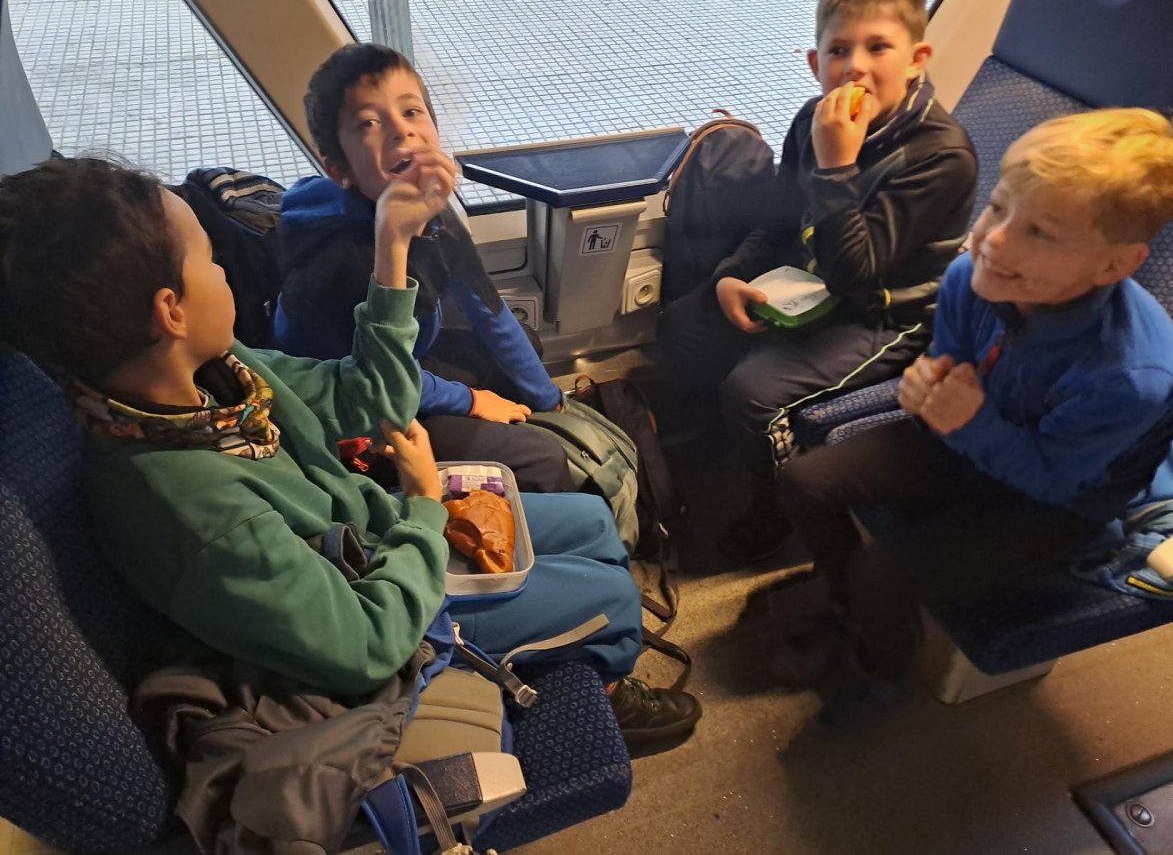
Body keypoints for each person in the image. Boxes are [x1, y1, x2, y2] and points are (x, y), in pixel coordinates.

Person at [0, 156, 701, 744]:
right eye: (211, 261)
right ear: (171, 311)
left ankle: (569, 634)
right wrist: (423, 507)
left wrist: (392, 248)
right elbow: (365, 644)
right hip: (383, 619)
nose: (225, 275)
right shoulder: (190, 511)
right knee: (612, 597)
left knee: (591, 524)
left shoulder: (221, 379)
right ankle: (598, 678)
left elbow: (373, 397)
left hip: (374, 540)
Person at [772, 108, 1173, 728]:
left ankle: (882, 673)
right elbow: (951, 358)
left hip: (1057, 499)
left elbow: (1055, 482)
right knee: (804, 481)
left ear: (1115, 265)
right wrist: (927, 383)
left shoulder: (1130, 375)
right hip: (969, 433)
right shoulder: (971, 276)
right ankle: (847, 609)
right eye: (998, 208)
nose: (994, 240)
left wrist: (965, 420)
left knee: (883, 572)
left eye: (1041, 233)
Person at [657, 0, 977, 561]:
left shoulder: (941, 157)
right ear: (815, 63)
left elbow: (857, 274)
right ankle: (709, 451)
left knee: (753, 392)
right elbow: (779, 221)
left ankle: (773, 508)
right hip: (812, 285)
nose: (855, 66)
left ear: (917, 60)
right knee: (686, 325)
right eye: (838, 50)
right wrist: (730, 276)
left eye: (878, 47)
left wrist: (836, 167)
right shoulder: (813, 119)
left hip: (885, 315)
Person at [274, 43, 571, 493]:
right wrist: (472, 401)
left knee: (523, 349)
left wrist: (550, 400)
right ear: (339, 171)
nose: (400, 130)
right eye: (369, 123)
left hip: (401, 360)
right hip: (353, 407)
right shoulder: (342, 264)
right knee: (542, 460)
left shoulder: (431, 210)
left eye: (411, 111)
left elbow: (487, 309)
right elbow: (381, 383)